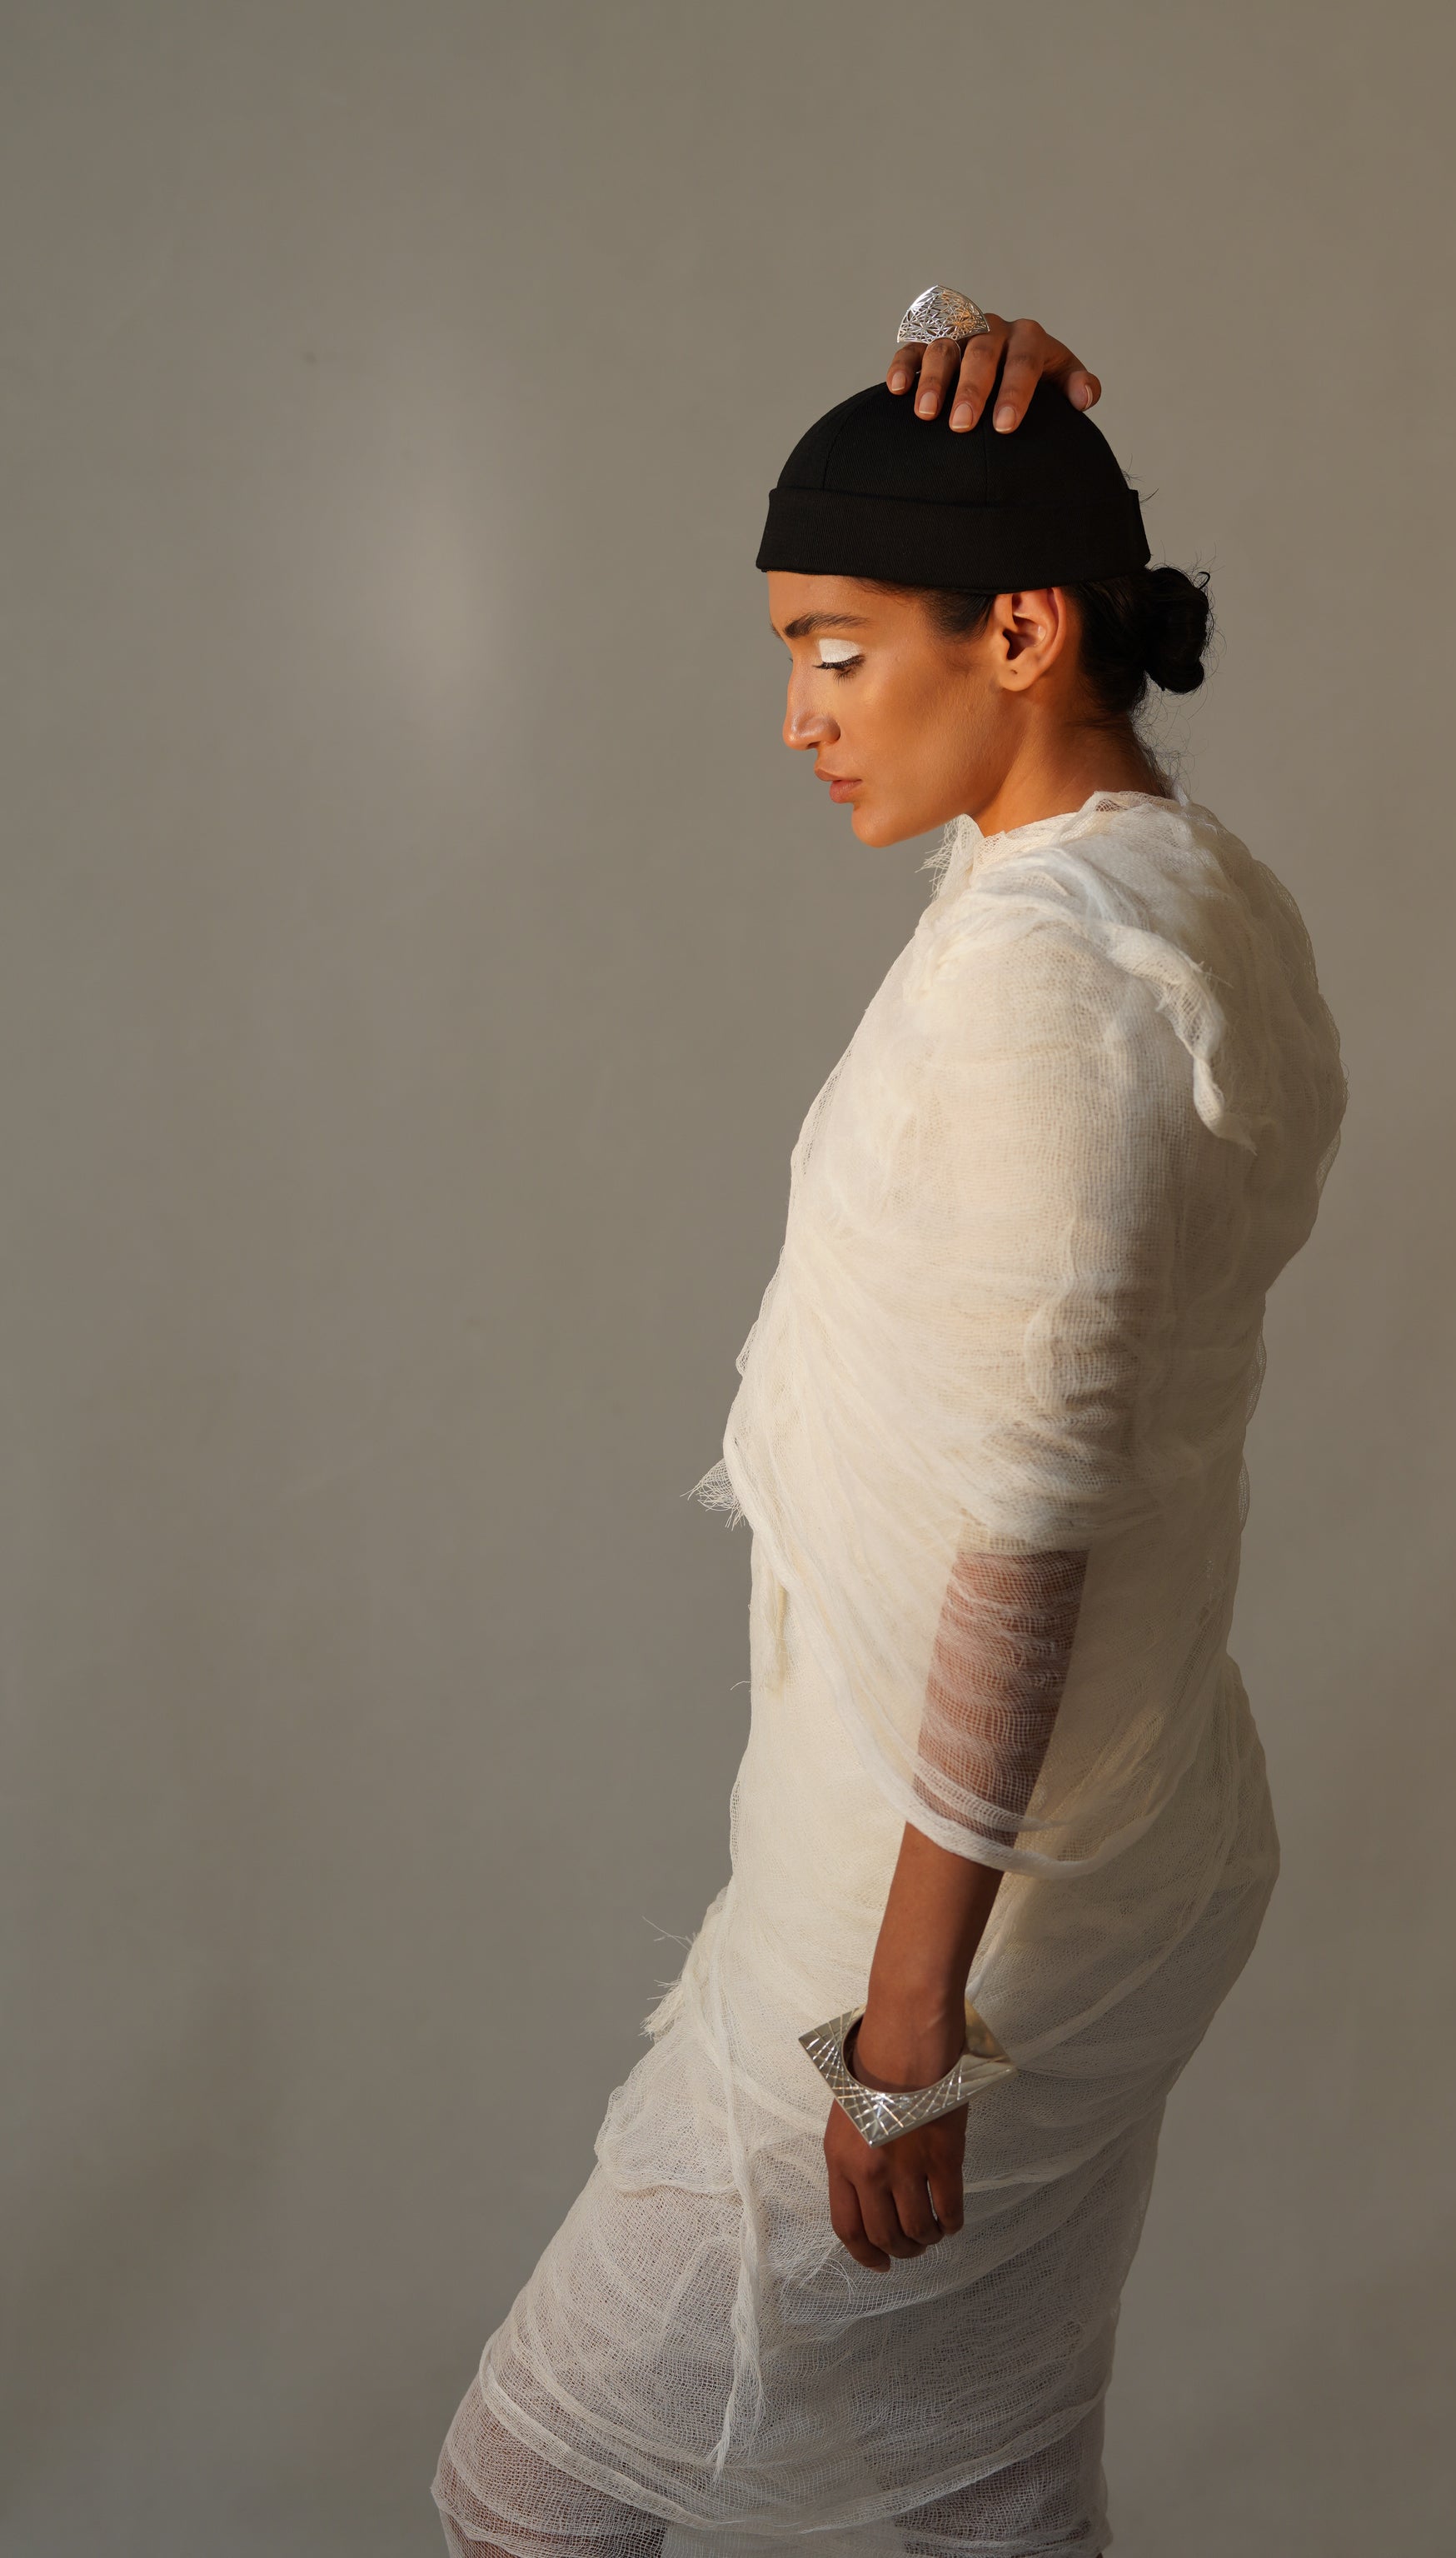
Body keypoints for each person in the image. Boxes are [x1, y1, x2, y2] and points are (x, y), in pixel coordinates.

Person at [432, 296, 1347, 2558]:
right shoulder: (1177, 888)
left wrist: (903, 2024)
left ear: (1020, 633)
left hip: (948, 1917)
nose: (798, 715)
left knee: (526, 2499)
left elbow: (1024, 1535)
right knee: (988, 2495)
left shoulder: (1058, 982)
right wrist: (950, 357)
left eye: (838, 650)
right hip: (1116, 1841)